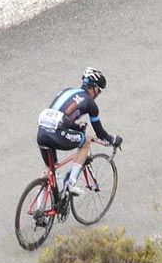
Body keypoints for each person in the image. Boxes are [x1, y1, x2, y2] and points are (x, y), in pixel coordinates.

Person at [36, 67, 122, 197]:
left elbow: (61, 116)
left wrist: (76, 127)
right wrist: (112, 139)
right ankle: (71, 183)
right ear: (92, 87)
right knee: (85, 141)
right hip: (56, 133)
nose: (98, 95)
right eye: (98, 91)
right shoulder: (90, 103)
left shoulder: (67, 91)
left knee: (51, 169)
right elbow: (100, 133)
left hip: (42, 132)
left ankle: (39, 209)